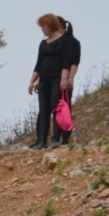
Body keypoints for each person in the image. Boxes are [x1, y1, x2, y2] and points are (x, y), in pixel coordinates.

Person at [28, 14, 72, 150]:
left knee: (56, 108)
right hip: (44, 80)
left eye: (44, 26)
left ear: (52, 25)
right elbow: (38, 64)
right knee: (43, 110)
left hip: (57, 80)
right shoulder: (43, 44)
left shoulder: (65, 41)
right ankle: (41, 141)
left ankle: (55, 139)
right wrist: (32, 81)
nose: (43, 29)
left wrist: (64, 79)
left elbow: (66, 63)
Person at [51, 17, 81, 147]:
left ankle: (64, 138)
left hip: (65, 80)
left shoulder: (73, 42)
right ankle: (56, 138)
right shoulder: (54, 42)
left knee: (64, 108)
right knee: (56, 108)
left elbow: (75, 62)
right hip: (53, 79)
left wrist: (69, 79)